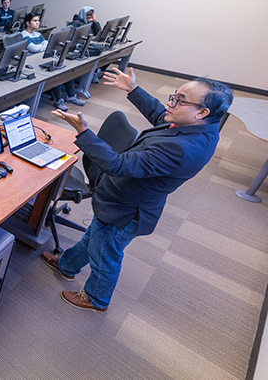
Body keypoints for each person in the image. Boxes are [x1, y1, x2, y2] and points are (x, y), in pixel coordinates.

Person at [43, 70, 232, 313]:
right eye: (174, 96)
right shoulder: (203, 127)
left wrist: (84, 134)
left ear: (201, 112)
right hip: (125, 200)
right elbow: (159, 115)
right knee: (94, 237)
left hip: (126, 209)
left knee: (105, 253)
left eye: (180, 100)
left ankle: (96, 298)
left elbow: (117, 165)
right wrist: (133, 89)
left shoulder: (182, 149)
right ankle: (67, 265)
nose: (170, 103)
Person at [21, 13, 86, 111]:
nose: (38, 22)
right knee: (55, 73)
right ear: (27, 23)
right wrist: (40, 47)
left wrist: (40, 48)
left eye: (38, 20)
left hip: (41, 58)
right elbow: (33, 48)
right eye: (35, 21)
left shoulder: (38, 34)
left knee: (65, 69)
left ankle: (71, 95)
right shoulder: (23, 35)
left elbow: (47, 44)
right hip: (32, 62)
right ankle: (59, 100)